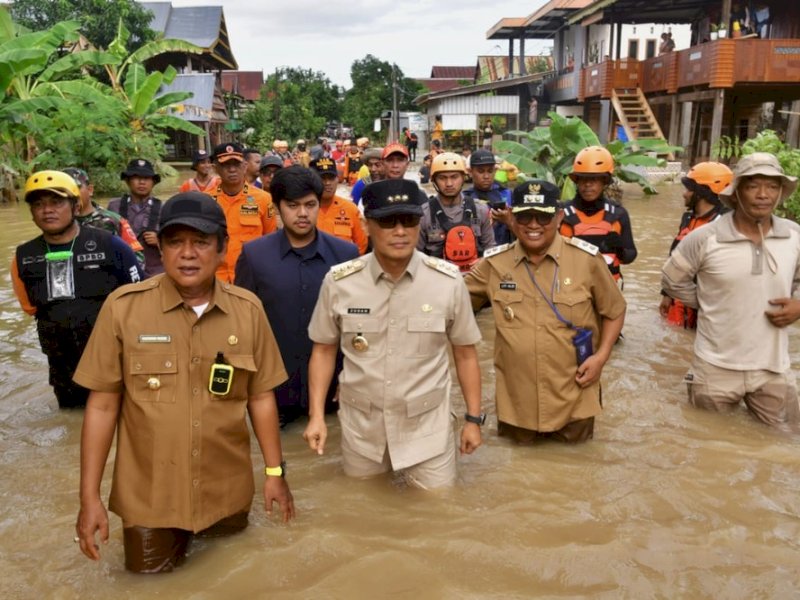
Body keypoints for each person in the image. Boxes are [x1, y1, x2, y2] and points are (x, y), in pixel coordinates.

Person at [73, 192, 295, 573]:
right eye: (175, 242)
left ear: (223, 248)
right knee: (147, 583)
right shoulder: (124, 308)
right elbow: (102, 405)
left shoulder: (248, 310)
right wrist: (88, 497)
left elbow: (260, 398)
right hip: (149, 501)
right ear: (161, 246)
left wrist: (275, 475)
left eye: (201, 242)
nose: (187, 254)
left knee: (233, 577)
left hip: (228, 494)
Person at [302, 178, 484, 489]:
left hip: (427, 428)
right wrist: (316, 416)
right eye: (387, 221)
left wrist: (473, 421)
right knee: (361, 509)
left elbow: (465, 354)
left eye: (409, 220)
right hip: (363, 427)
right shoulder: (340, 283)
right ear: (367, 224)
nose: (400, 231)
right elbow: (323, 350)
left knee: (438, 513)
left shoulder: (448, 282)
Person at [465, 180, 626, 443]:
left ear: (559, 216)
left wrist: (602, 356)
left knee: (578, 469)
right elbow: (451, 303)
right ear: (512, 218)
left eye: (543, 216)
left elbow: (615, 310)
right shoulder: (493, 264)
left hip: (575, 400)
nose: (533, 224)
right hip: (517, 406)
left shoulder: (587, 260)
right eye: (525, 216)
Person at [661, 153, 800, 429]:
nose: (763, 195)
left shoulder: (794, 236)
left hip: (773, 367)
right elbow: (671, 279)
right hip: (714, 367)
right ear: (736, 194)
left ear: (781, 192)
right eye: (753, 186)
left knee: (785, 440)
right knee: (710, 445)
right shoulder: (705, 238)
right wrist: (708, 301)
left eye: (772, 186)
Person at [235, 166, 359, 426]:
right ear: (278, 207)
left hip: (334, 392)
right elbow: (242, 324)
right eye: (293, 205)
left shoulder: (345, 255)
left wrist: (353, 377)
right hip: (274, 393)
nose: (302, 213)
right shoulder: (255, 256)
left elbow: (358, 325)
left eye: (310, 204)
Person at [11, 171, 142, 409]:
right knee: (73, 424)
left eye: (56, 202)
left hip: (112, 362)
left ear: (74, 205)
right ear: (31, 212)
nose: (47, 210)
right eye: (38, 204)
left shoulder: (111, 245)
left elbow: (141, 300)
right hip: (63, 369)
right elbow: (29, 307)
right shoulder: (24, 257)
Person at [659, 162, 732, 328]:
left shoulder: (726, 223)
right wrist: (666, 294)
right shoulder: (687, 219)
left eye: (689, 189)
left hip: (707, 305)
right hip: (680, 299)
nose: (684, 194)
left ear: (702, 192)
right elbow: (674, 257)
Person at [560, 146, 637, 285]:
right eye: (583, 179)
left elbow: (630, 256)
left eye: (594, 179)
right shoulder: (560, 214)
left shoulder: (619, 214)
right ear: (576, 181)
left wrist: (620, 249)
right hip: (571, 289)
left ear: (604, 181)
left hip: (609, 289)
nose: (588, 185)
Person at [207, 142, 278, 282]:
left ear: (245, 166)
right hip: (215, 278)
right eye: (226, 165)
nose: (232, 169)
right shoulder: (205, 200)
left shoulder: (263, 199)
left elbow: (271, 239)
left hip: (251, 276)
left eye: (237, 164)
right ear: (215, 169)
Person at [418, 152, 495, 273]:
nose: (449, 184)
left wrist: (484, 260)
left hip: (474, 279)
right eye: (443, 178)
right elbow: (416, 256)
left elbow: (490, 248)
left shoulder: (481, 210)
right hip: (437, 280)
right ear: (434, 180)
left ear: (463, 178)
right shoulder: (423, 214)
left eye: (454, 177)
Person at [64, 167, 144, 266]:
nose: (72, 193)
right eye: (65, 190)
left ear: (90, 190)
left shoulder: (113, 221)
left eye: (77, 188)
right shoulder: (59, 223)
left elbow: (138, 258)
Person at [108, 158, 164, 277]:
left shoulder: (164, 208)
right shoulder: (114, 207)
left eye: (146, 178)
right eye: (136, 177)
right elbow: (104, 240)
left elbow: (176, 245)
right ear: (128, 181)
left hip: (155, 273)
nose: (142, 182)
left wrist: (160, 241)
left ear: (153, 182)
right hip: (123, 271)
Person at [311, 157, 369, 254]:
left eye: (331, 178)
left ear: (337, 179)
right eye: (322, 178)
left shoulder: (350, 209)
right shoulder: (303, 211)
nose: (327, 183)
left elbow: (361, 245)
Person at [462, 149, 513, 245]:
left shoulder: (507, 194)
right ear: (470, 172)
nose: (486, 176)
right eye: (481, 171)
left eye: (490, 171)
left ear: (495, 170)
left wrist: (508, 221)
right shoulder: (465, 198)